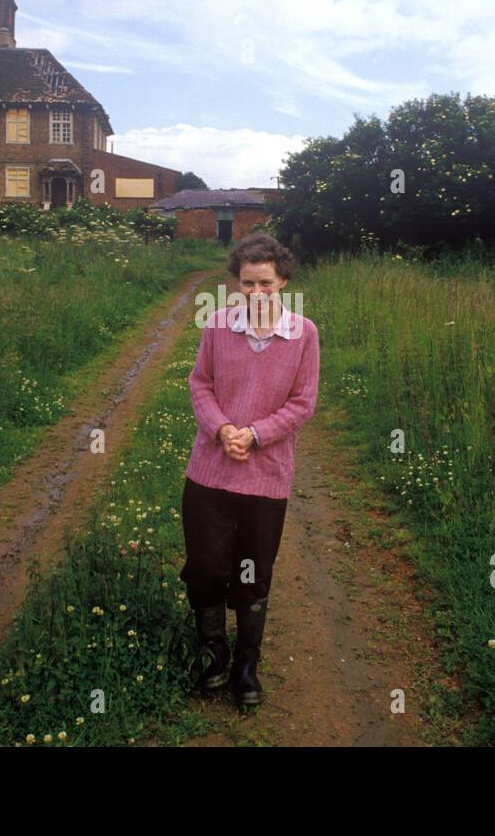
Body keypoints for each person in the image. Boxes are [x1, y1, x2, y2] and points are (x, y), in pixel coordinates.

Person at [180, 232, 320, 707]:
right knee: (205, 567)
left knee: (252, 572)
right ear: (235, 284)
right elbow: (201, 385)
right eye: (247, 284)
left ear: (283, 280)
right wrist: (222, 430)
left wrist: (255, 434)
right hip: (210, 472)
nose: (256, 293)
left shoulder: (304, 334)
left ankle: (246, 664)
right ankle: (214, 653)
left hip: (266, 476)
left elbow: (303, 402)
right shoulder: (217, 326)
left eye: (265, 284)